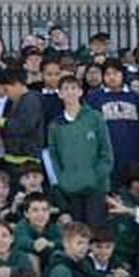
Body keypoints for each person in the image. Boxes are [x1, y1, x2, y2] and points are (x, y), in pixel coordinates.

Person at [46, 75, 113, 227]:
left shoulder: (95, 117)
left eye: (74, 88)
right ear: (60, 93)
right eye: (66, 89)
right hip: (70, 188)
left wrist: (96, 176)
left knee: (95, 230)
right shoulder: (55, 125)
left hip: (95, 187)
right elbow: (53, 156)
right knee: (76, 232)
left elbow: (106, 152)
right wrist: (63, 180)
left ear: (80, 92)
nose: (70, 92)